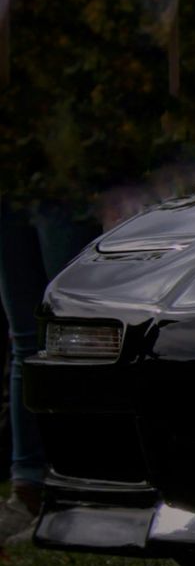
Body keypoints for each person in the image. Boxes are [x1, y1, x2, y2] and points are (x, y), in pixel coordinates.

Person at [0, 197, 100, 543]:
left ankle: (82, 489)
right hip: (10, 184)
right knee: (25, 340)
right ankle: (27, 490)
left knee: (72, 332)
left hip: (59, 184)